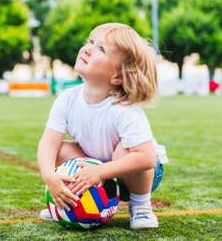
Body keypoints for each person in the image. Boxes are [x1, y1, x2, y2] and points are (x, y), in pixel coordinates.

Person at [37, 23, 168, 230]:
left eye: (101, 49)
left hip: (136, 174)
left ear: (117, 77)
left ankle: (141, 206)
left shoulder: (125, 109)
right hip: (95, 167)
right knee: (61, 149)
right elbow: (48, 143)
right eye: (90, 42)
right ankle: (66, 203)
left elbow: (146, 157)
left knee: (125, 150)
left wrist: (101, 172)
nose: (87, 49)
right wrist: (49, 176)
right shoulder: (67, 99)